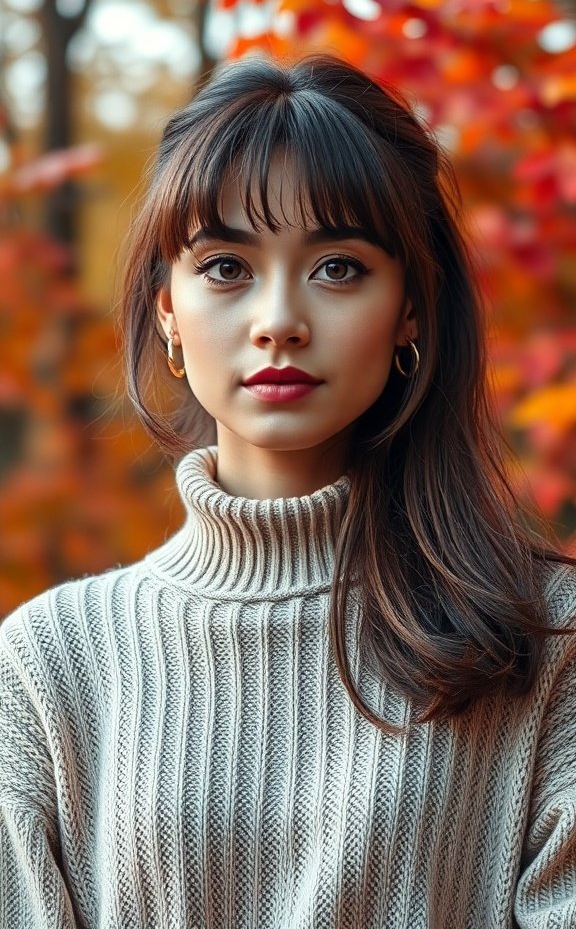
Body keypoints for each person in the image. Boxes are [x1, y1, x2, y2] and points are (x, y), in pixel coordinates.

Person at [0, 53, 574, 929]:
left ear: (411, 308)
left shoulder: (549, 638)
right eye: (226, 266)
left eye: (338, 266)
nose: (278, 320)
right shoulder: (49, 666)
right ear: (166, 313)